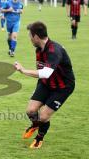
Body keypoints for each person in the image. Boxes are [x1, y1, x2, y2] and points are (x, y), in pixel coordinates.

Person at [14, 21, 75, 149]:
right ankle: (35, 124)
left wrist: (23, 70)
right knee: (31, 111)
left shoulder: (54, 50)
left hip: (62, 87)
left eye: (30, 36)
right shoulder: (39, 49)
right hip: (46, 83)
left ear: (36, 36)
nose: (29, 39)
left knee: (43, 116)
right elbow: (43, 72)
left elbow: (45, 73)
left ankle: (39, 138)